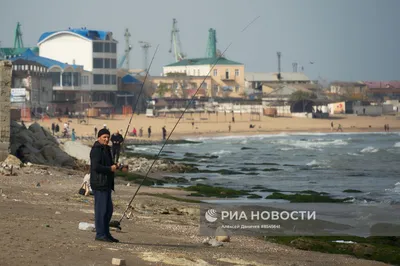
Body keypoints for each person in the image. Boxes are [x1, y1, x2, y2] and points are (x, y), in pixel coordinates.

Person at [90, 128, 119, 243]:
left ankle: (106, 233)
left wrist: (117, 166)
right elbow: (96, 167)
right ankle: (100, 234)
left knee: (108, 210)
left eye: (108, 137)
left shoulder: (107, 149)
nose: (106, 139)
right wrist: (110, 169)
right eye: (104, 137)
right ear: (99, 138)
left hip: (106, 183)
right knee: (101, 211)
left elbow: (109, 165)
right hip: (99, 183)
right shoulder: (96, 150)